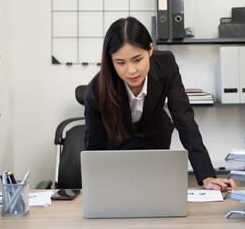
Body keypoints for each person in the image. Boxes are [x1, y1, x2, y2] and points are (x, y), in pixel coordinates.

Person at [84, 16, 236, 191]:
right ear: (111, 60)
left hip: (156, 143)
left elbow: (184, 119)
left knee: (159, 199)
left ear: (150, 49)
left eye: (137, 59)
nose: (131, 70)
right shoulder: (97, 89)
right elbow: (93, 150)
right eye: (120, 63)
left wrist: (207, 176)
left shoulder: (166, 65)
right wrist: (96, 188)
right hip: (118, 153)